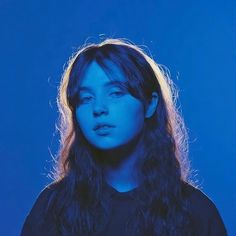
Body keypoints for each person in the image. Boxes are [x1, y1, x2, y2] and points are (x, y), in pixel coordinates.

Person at [21, 38, 227, 236]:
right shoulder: (52, 209)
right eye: (86, 98)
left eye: (115, 93)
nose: (98, 108)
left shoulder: (196, 213)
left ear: (150, 104)